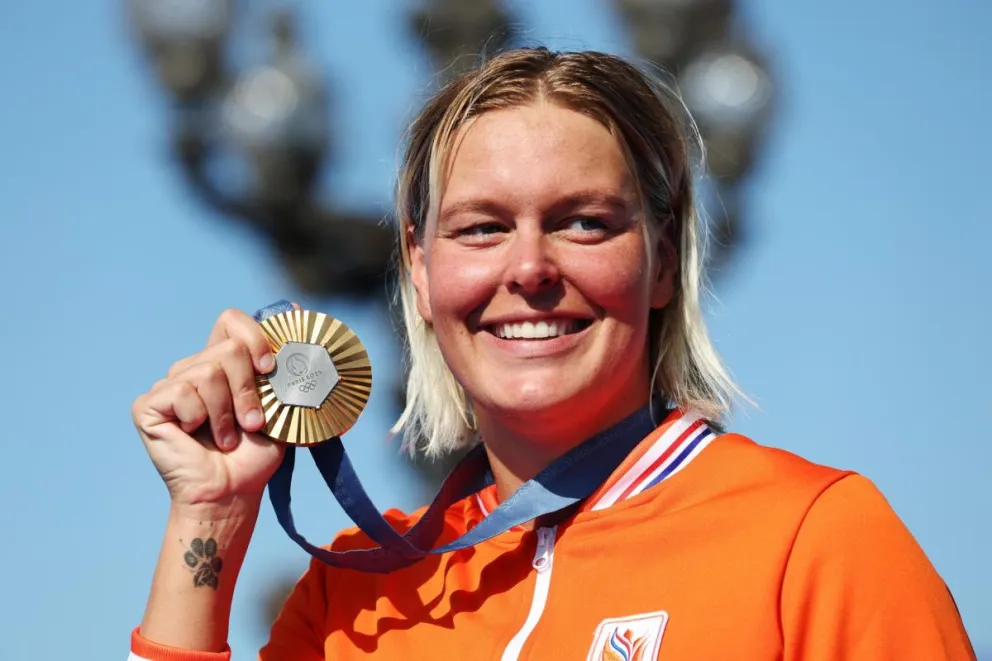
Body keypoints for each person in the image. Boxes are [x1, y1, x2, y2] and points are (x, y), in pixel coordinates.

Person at [128, 47, 977, 661]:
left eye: (584, 222)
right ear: (420, 271)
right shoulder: (353, 591)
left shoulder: (816, 536)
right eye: (482, 228)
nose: (530, 269)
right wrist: (211, 517)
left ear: (662, 259)